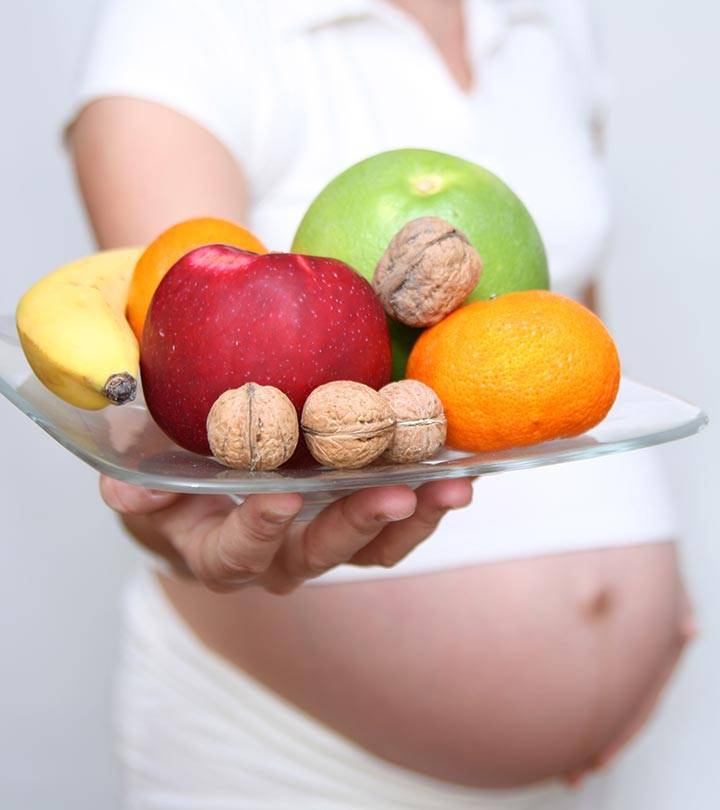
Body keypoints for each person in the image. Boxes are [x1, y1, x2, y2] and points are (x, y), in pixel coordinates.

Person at [67, 0, 695, 807]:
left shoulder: (558, 16)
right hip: (288, 761)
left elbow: (567, 336)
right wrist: (180, 528)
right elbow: (179, 392)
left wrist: (650, 600)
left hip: (574, 771)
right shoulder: (185, 23)